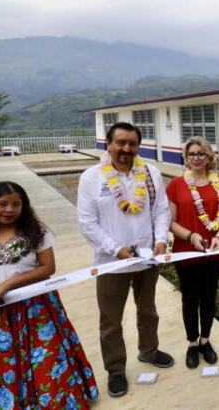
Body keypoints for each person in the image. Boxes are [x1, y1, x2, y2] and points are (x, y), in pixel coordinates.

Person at [77, 122, 173, 397]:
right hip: (111, 263)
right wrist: (115, 248)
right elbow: (87, 223)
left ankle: (149, 350)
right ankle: (116, 370)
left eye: (132, 144)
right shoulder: (92, 178)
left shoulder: (151, 173)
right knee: (111, 321)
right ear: (108, 144)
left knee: (148, 310)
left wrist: (161, 240)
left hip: (147, 259)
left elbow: (162, 211)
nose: (126, 149)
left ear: (138, 147)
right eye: (120, 142)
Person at [0, 181, 98, 408]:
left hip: (35, 309)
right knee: (3, 361)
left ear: (24, 206)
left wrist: (8, 284)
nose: (9, 210)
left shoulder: (36, 231)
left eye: (15, 204)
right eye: (2, 204)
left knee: (45, 357)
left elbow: (47, 268)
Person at [166, 136, 219, 369]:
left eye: (200, 153)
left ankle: (206, 340)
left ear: (209, 157)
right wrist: (191, 236)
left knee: (208, 297)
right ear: (185, 157)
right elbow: (171, 222)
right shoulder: (175, 185)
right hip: (186, 251)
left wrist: (218, 237)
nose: (196, 157)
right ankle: (192, 343)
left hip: (213, 250)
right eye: (191, 153)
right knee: (189, 298)